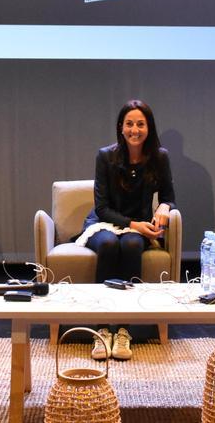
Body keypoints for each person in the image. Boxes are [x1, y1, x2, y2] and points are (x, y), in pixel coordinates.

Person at [78, 99, 176, 361]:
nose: (135, 130)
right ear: (121, 128)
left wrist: (165, 207)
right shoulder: (105, 156)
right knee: (109, 244)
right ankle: (100, 329)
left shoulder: (160, 157)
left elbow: (169, 196)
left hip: (137, 224)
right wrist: (134, 224)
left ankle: (123, 330)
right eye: (129, 124)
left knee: (132, 245)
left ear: (149, 128)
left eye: (140, 124)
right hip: (104, 222)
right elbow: (101, 208)